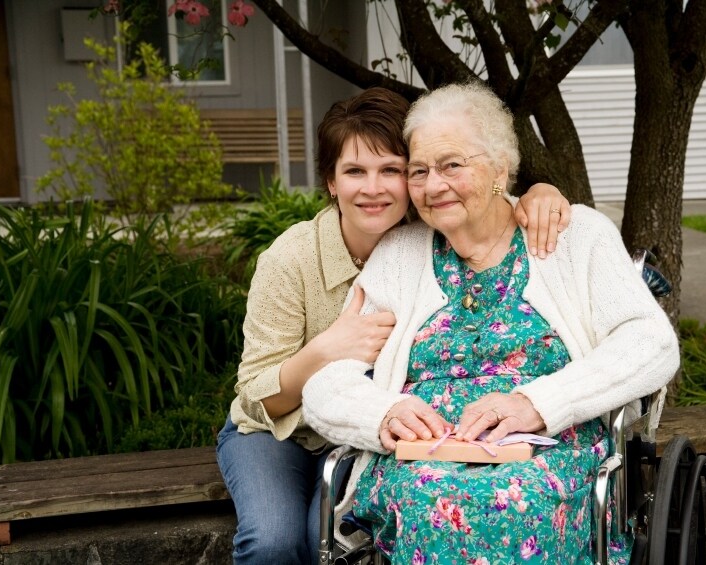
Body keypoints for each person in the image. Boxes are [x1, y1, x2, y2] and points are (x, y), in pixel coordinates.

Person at [301, 82, 680, 564]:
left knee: (516, 498)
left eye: (452, 165)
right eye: (419, 171)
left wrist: (537, 402)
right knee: (429, 499)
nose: (433, 185)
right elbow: (327, 383)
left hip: (549, 449)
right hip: (422, 462)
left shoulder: (575, 235)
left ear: (500, 168)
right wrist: (384, 415)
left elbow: (651, 343)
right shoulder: (398, 256)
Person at [215, 86, 572, 565]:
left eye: (392, 170)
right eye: (354, 172)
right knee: (273, 541)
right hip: (280, 431)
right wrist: (326, 350)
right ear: (331, 182)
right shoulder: (291, 260)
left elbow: (488, 201)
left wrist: (541, 193)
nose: (374, 188)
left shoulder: (433, 233)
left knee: (335, 534)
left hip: (361, 430)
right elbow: (257, 398)